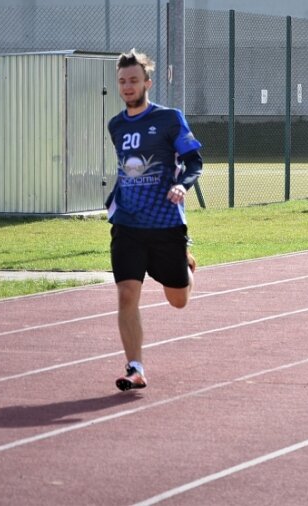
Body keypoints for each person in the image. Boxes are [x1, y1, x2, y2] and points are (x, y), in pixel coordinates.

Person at [105, 49, 203, 392]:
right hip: (129, 224)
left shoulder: (170, 119)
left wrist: (181, 184)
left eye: (134, 80)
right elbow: (127, 168)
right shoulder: (115, 125)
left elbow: (194, 162)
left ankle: (187, 268)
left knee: (178, 300)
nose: (128, 86)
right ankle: (135, 367)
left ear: (147, 82)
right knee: (126, 293)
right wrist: (114, 199)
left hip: (165, 224)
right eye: (122, 81)